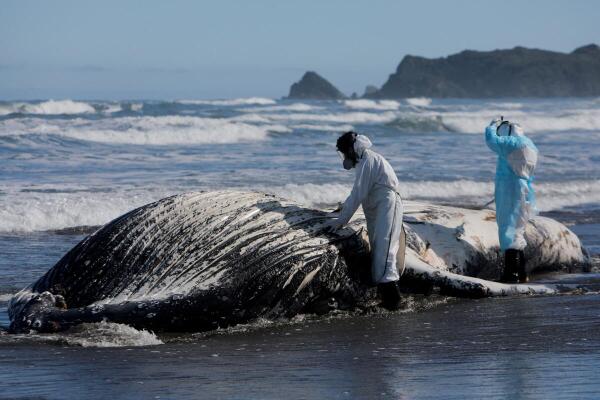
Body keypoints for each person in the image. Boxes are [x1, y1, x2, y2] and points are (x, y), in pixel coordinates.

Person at [324, 131, 404, 310]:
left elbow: (358, 194)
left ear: (352, 150)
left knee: (385, 248)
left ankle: (394, 301)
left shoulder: (369, 160)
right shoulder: (363, 163)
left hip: (387, 204)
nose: (344, 157)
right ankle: (387, 297)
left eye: (344, 152)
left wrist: (341, 220)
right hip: (375, 206)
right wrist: (340, 211)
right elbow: (358, 192)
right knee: (378, 250)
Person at [485, 118, 538, 283]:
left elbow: (491, 139)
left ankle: (511, 274)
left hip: (509, 188)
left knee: (508, 230)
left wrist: (491, 126)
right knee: (518, 230)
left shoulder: (511, 143)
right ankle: (522, 273)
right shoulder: (530, 145)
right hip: (524, 189)